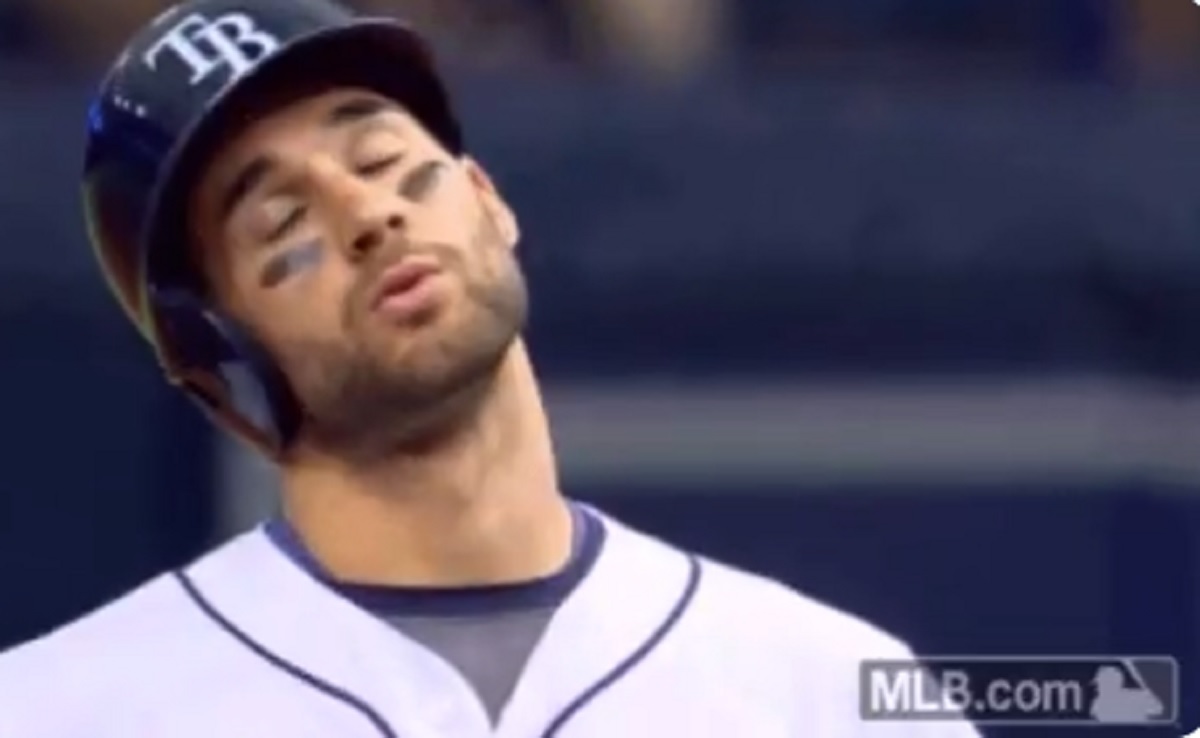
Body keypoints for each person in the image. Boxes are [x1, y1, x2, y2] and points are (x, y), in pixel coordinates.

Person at [0, 0, 980, 735]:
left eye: (384, 159)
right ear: (221, 371)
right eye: (282, 222)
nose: (368, 215)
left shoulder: (824, 689)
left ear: (487, 200)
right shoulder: (65, 713)